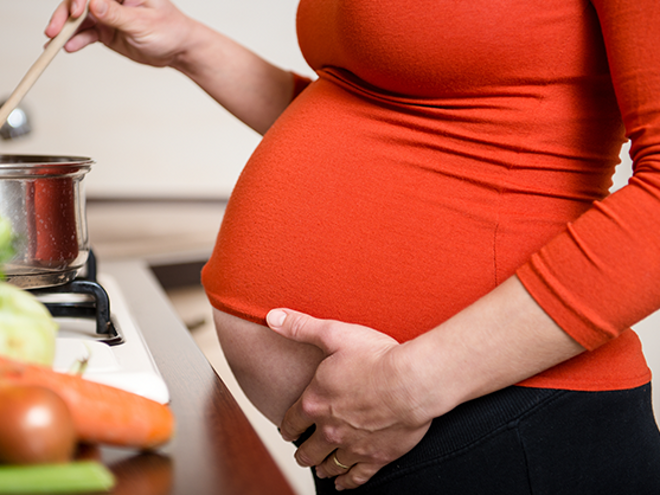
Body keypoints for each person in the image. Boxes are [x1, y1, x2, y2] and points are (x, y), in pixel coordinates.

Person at [47, 1, 660, 493]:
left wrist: (412, 383)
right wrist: (189, 45)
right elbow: (390, 127)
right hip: (375, 423)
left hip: (502, 418)